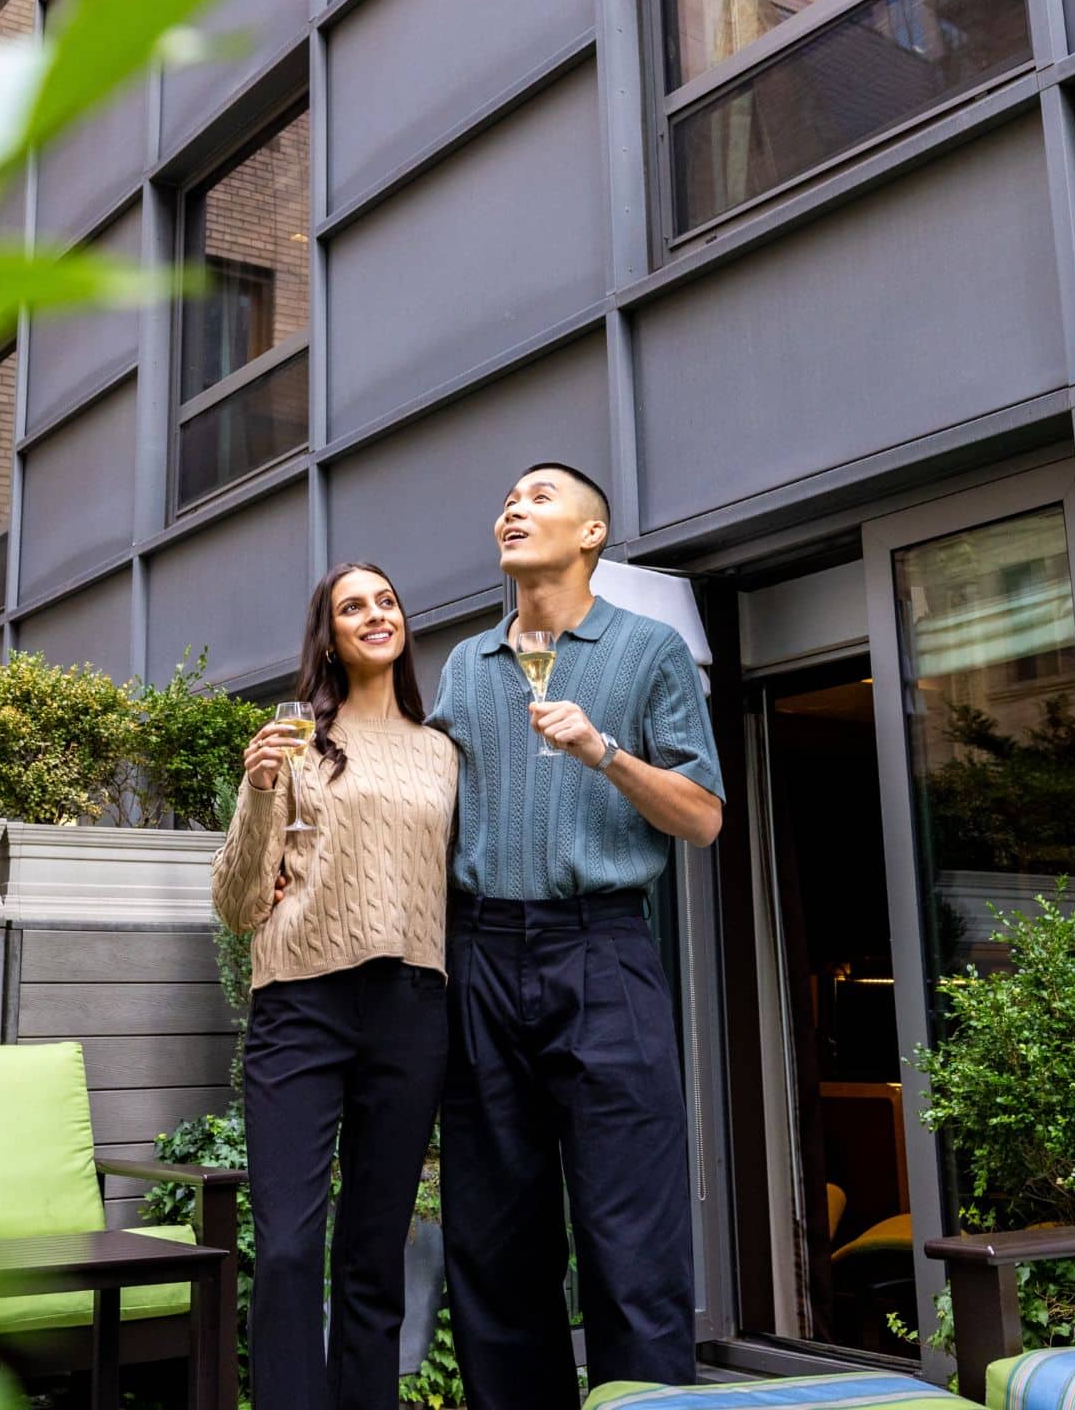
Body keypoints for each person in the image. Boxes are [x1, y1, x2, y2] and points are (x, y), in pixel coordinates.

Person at [425, 464, 725, 1406]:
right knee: (493, 1235)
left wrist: (604, 752)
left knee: (629, 1233)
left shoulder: (649, 651)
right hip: (478, 952)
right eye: (507, 496)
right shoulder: (463, 669)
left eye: (542, 496)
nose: (514, 506)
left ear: (593, 534)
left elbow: (704, 817)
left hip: (602, 951)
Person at [212, 562, 459, 1410]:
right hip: (302, 1006)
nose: (375, 614)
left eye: (387, 600)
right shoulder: (292, 744)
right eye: (353, 606)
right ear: (330, 633)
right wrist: (257, 789)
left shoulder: (441, 753)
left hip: (411, 1008)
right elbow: (239, 901)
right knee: (285, 1248)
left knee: (375, 1247)